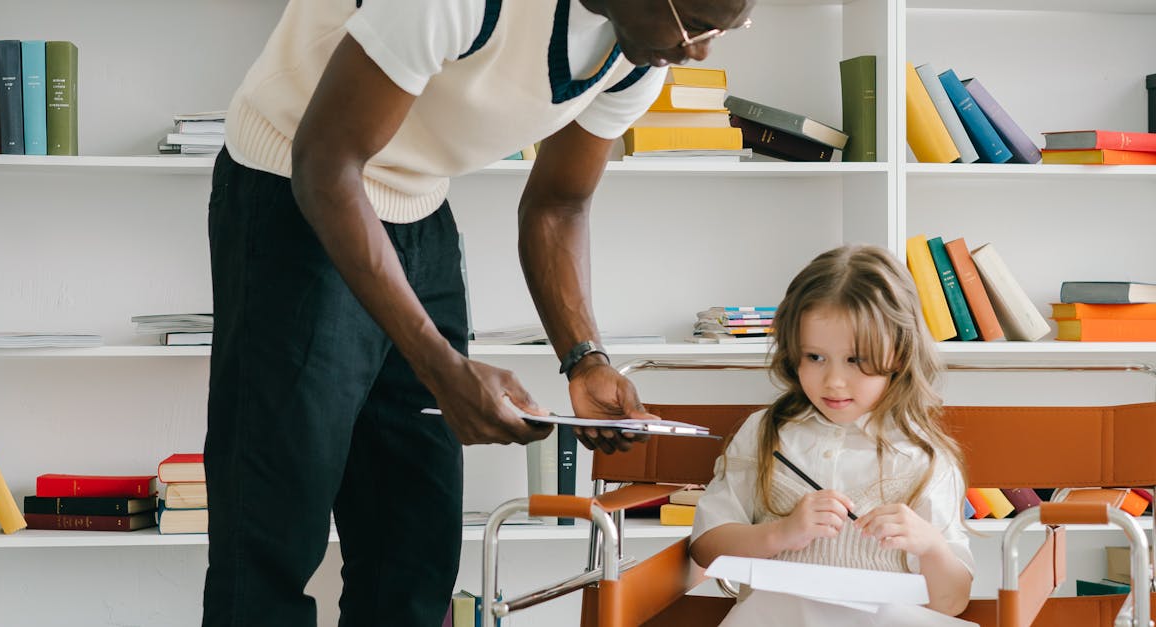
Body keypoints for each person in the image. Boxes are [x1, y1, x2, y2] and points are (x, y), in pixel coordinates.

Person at [202, 0, 756, 625]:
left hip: (419, 208)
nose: (701, 50)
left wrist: (585, 360)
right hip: (294, 189)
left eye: (725, 29)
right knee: (273, 530)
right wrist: (441, 368)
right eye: (698, 24)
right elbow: (325, 165)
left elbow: (558, 205)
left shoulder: (636, 58)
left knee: (416, 544)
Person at [690, 245, 975, 626]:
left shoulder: (923, 455)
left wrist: (930, 545)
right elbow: (708, 547)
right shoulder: (766, 434)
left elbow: (952, 602)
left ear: (901, 355)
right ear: (793, 352)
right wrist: (781, 533)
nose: (834, 382)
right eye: (815, 357)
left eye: (856, 360)